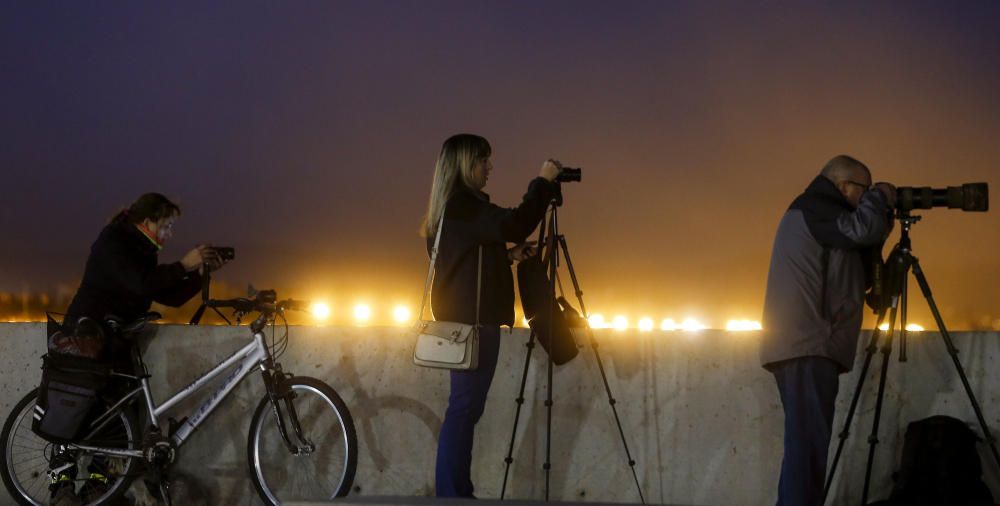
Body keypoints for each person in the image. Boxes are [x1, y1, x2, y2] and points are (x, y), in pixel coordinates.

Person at [50, 192, 224, 505]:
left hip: (117, 338)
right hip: (87, 335)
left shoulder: (145, 250)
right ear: (147, 222)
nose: (169, 234)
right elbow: (141, 283)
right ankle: (61, 486)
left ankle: (98, 487)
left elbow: (166, 294)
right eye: (167, 226)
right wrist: (184, 263)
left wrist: (200, 274)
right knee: (79, 409)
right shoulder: (114, 240)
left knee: (121, 415)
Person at [422, 133, 560, 497]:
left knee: (465, 408)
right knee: (465, 409)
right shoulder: (465, 206)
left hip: (461, 321)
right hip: (474, 324)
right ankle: (452, 494)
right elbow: (515, 223)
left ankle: (456, 491)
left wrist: (508, 257)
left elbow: (466, 259)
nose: (490, 167)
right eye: (484, 160)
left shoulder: (449, 208)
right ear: (466, 165)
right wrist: (543, 183)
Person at [760, 155, 896, 506]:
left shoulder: (825, 218)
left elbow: (858, 269)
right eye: (863, 191)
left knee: (806, 451)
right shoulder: (816, 206)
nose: (865, 199)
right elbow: (861, 229)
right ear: (842, 185)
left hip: (808, 344)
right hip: (808, 344)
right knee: (806, 451)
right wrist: (881, 198)